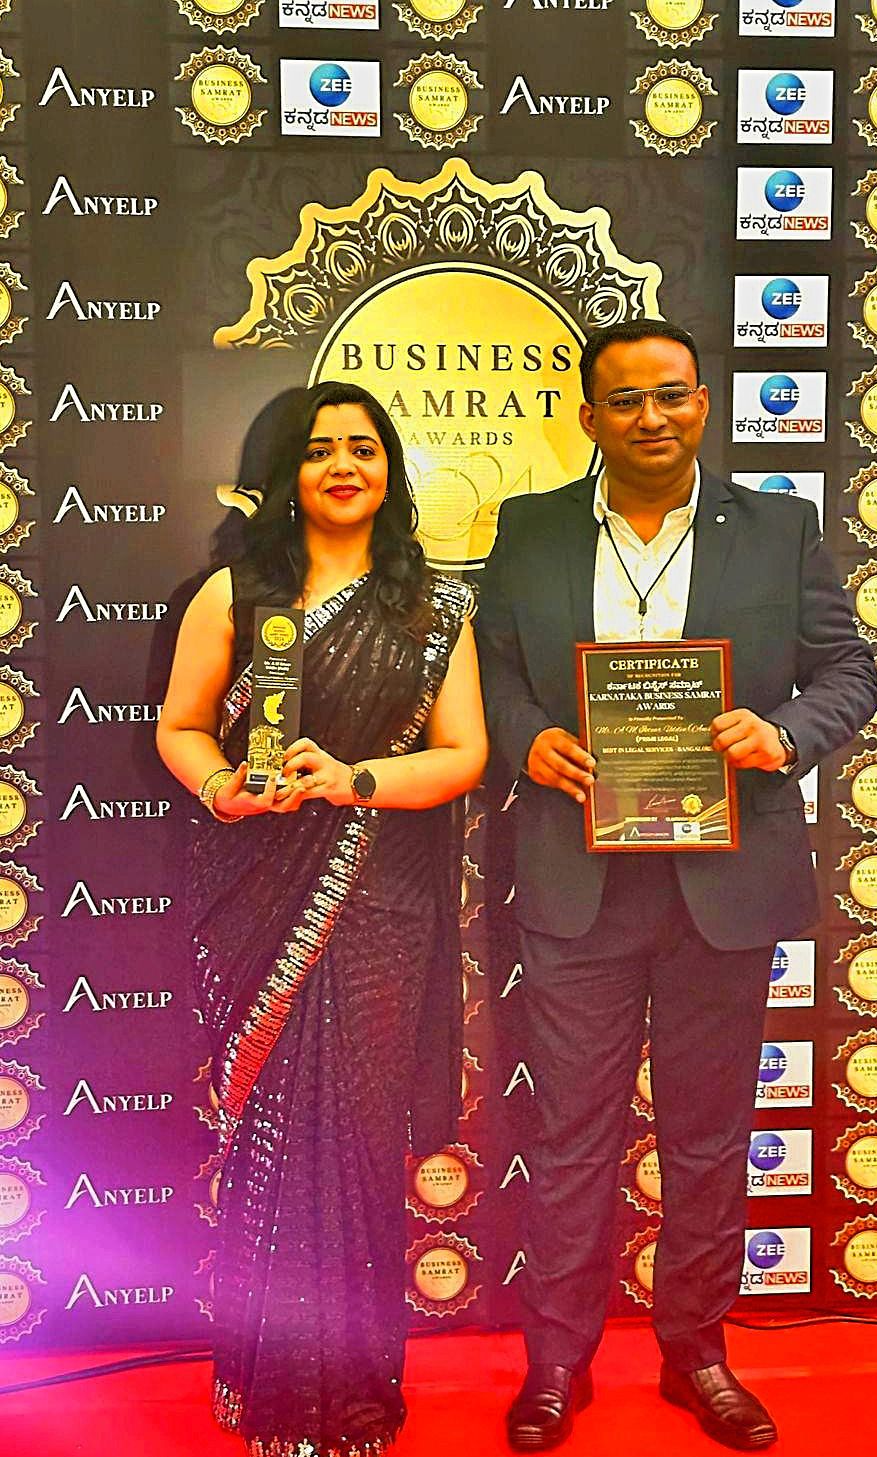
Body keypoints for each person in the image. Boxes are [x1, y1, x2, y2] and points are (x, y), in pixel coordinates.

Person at [476, 320, 877, 1452]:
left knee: (708, 1136)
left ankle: (696, 1351)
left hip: (725, 884)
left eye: (671, 394)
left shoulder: (779, 528)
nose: (650, 416)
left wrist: (783, 732)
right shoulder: (529, 527)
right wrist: (525, 737)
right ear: (588, 416)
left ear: (702, 402)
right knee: (571, 1135)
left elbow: (850, 668)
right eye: (625, 399)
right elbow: (490, 668)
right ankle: (556, 1360)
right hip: (579, 880)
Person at [157, 381, 487, 1457]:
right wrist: (222, 789)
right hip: (255, 889)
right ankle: (265, 1385)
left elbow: (464, 754)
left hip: (380, 897)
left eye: (363, 447)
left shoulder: (434, 608)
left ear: (389, 470)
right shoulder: (234, 594)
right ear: (284, 473)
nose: (343, 465)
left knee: (354, 1138)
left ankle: (350, 1395)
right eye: (318, 449)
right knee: (272, 1140)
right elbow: (181, 725)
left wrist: (356, 779)